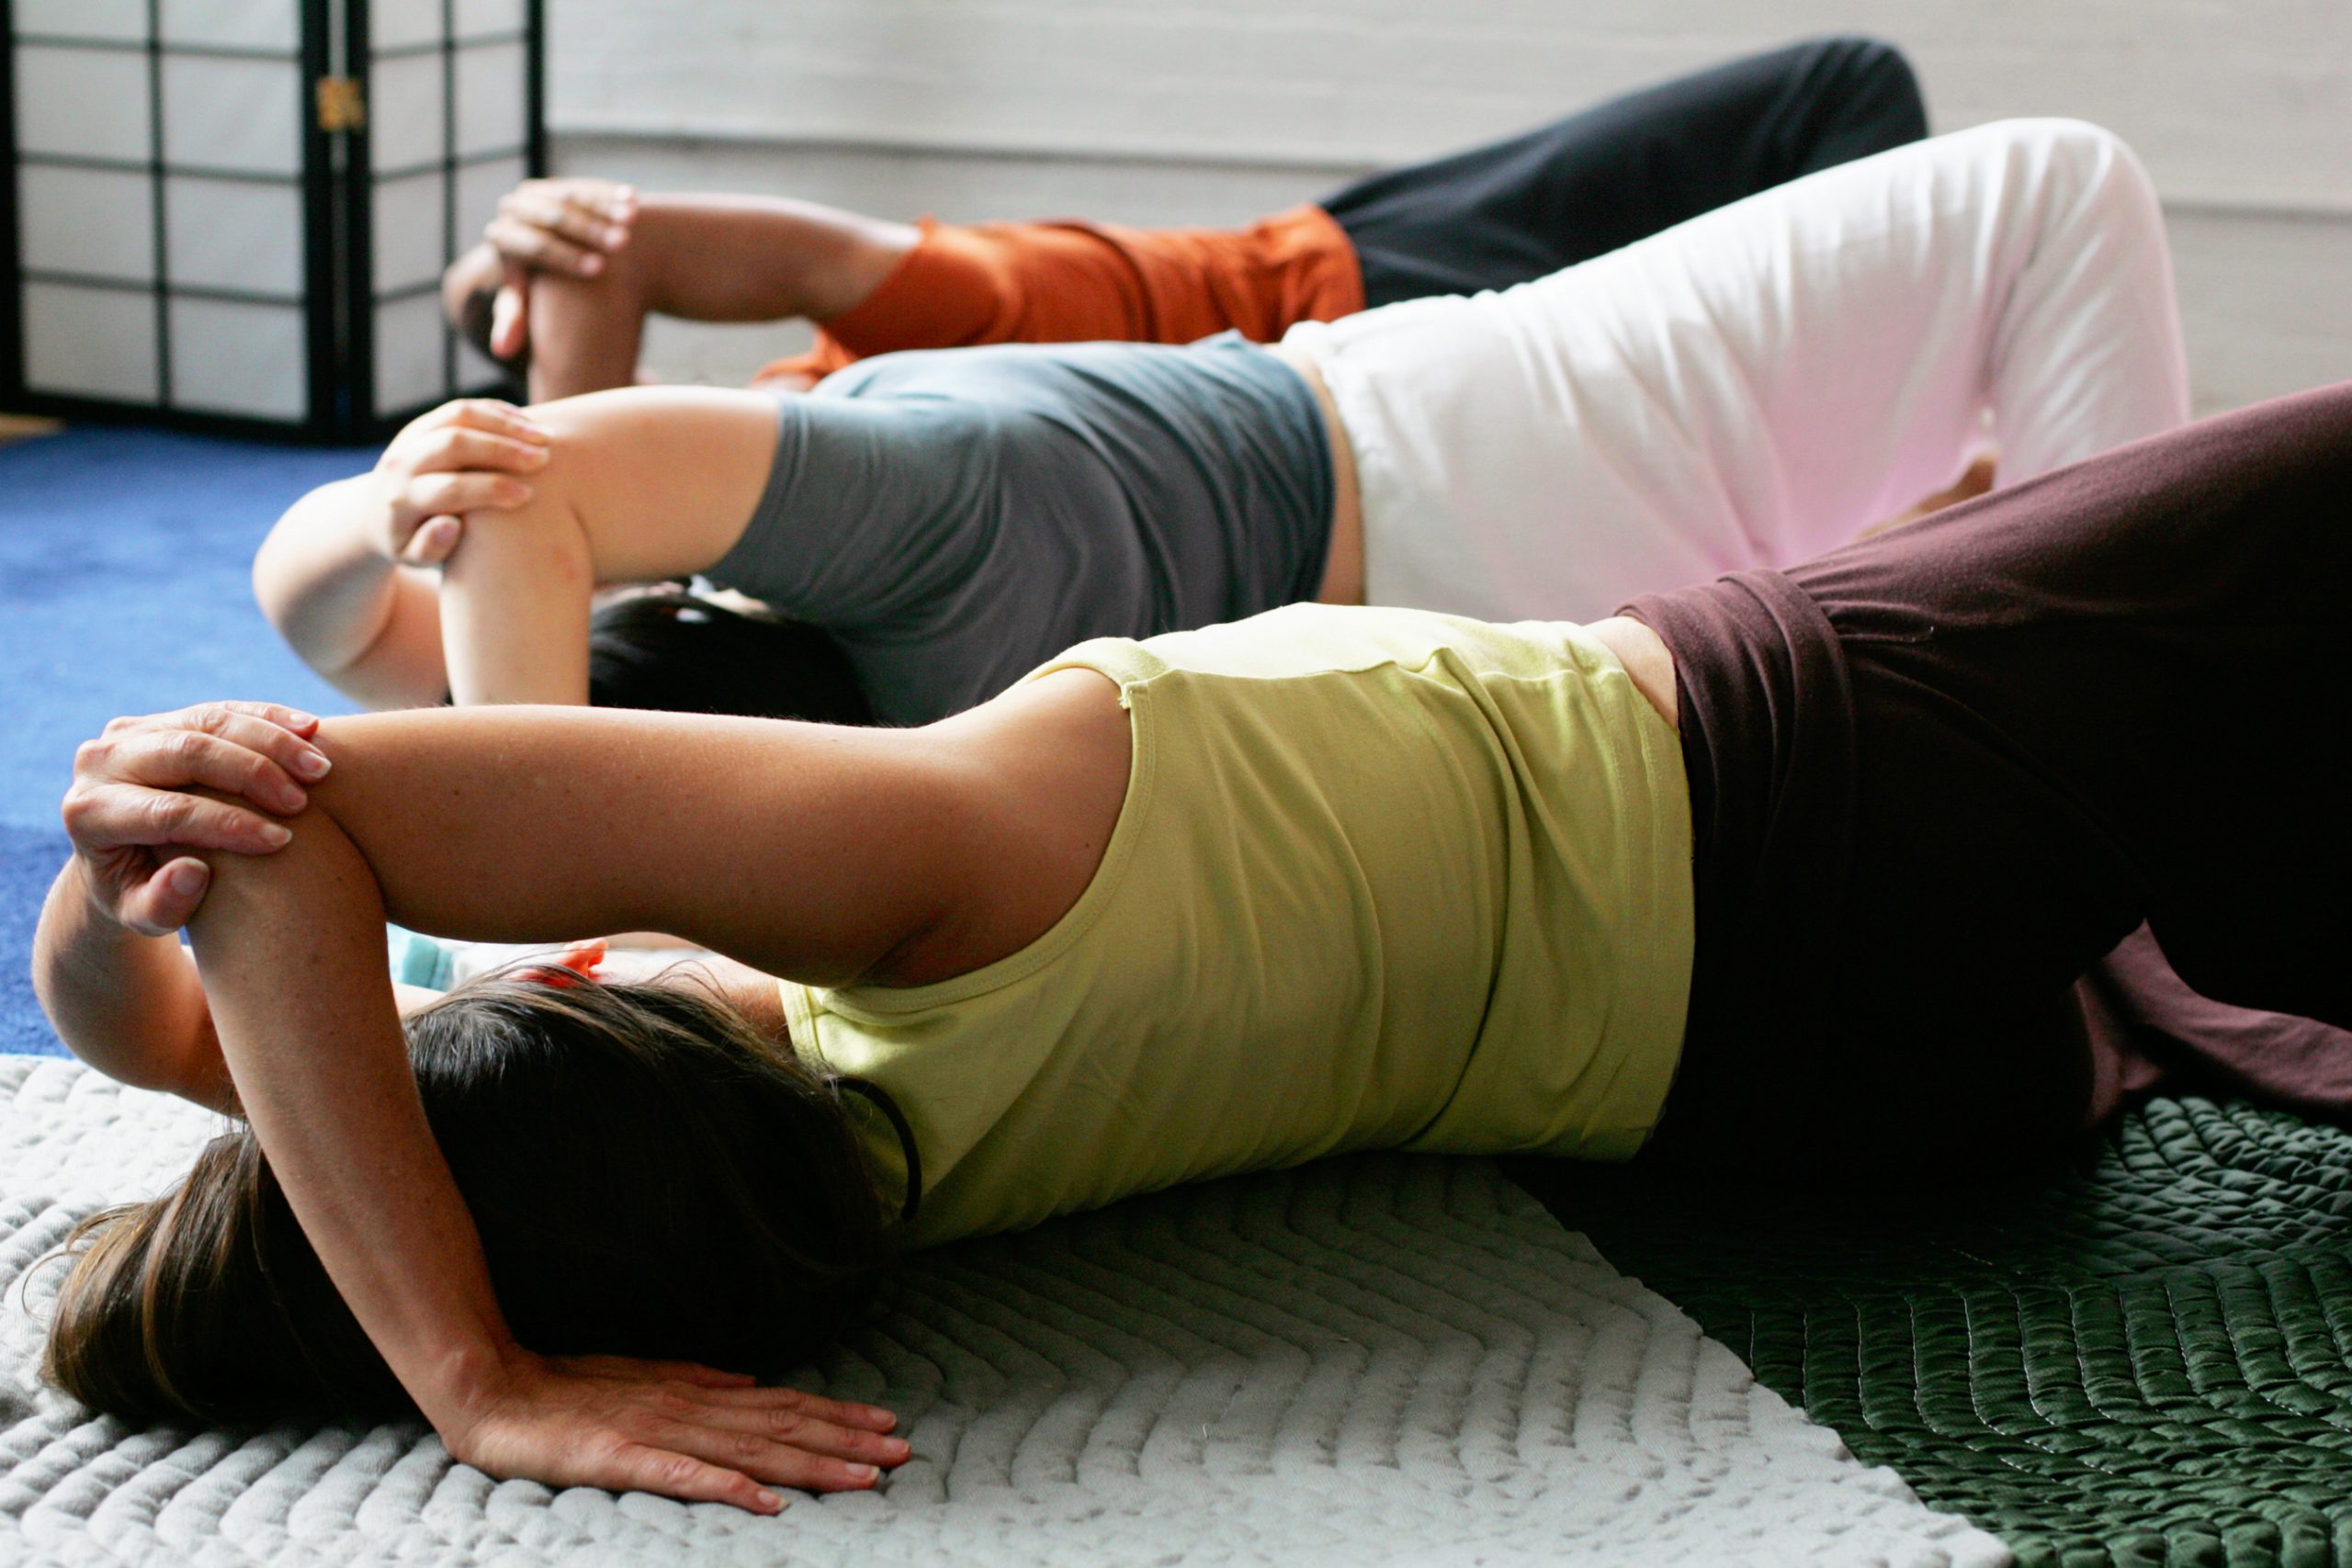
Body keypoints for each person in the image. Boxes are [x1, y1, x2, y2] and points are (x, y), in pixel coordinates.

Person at [35, 380, 2352, 1515]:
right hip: (1820, 774)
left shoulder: (832, 1168)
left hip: (1836, 1080)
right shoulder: (914, 882)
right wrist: (469, 1377)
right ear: (551, 980)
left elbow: (179, 997)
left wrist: (89, 913)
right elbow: (271, 866)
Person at [258, 118, 2188, 725]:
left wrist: (394, 505)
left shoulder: (879, 752)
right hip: (1456, 440)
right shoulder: (914, 506)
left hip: (1481, 607)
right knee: (2046, 186)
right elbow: (514, 502)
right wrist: (517, 923)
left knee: (1951, 537)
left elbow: (331, 599)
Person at [448, 38, 1928, 403]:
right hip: (1385, 337)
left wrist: (488, 281)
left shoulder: (950, 317)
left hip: (1364, 270)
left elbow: (614, 248)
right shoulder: (913, 384)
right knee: (1839, 98)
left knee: (1832, 117)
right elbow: (620, 254)